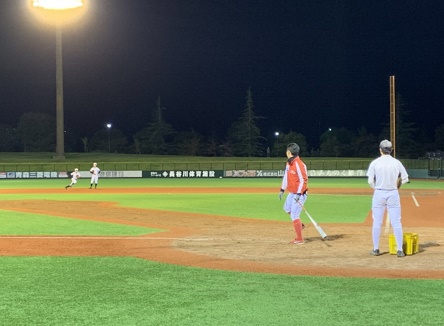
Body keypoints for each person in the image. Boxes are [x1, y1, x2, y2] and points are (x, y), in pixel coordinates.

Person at [366, 140, 409, 257]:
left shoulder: (375, 163)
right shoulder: (397, 162)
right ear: (391, 150)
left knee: (377, 222)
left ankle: (376, 249)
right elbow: (405, 179)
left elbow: (370, 181)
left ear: (380, 149)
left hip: (379, 193)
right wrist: (397, 185)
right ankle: (399, 250)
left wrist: (377, 188)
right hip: (393, 193)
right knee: (396, 222)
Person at [278, 143, 308, 244]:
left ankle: (300, 239)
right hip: (292, 193)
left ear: (289, 153)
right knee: (287, 209)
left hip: (300, 194)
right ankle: (300, 225)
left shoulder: (299, 164)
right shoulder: (289, 163)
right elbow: (286, 177)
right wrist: (282, 189)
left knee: (294, 215)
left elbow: (303, 180)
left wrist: (299, 194)